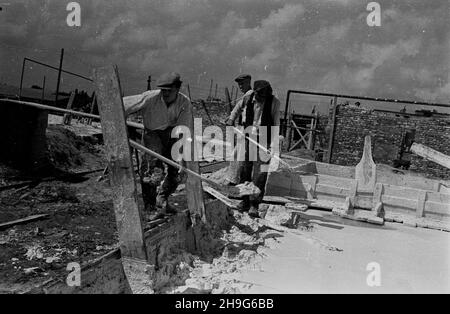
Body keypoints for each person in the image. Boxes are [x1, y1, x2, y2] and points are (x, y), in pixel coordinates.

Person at [123, 72, 194, 219]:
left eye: (170, 90)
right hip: (152, 133)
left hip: (172, 133)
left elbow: (183, 130)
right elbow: (121, 105)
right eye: (163, 90)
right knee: (153, 172)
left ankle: (161, 199)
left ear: (178, 88)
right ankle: (150, 208)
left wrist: (181, 157)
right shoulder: (150, 97)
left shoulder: (184, 102)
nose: (166, 93)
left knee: (178, 173)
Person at [236, 80, 281, 218]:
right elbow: (238, 107)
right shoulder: (248, 97)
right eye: (260, 95)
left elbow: (276, 123)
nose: (262, 98)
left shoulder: (273, 102)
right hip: (249, 137)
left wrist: (273, 145)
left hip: (264, 139)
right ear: (256, 93)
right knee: (245, 169)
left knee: (261, 173)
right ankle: (244, 201)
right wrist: (232, 118)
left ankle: (254, 204)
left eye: (264, 96)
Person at [223, 74, 253, 185]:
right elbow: (239, 108)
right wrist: (230, 118)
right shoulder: (246, 95)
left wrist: (232, 119)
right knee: (241, 154)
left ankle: (234, 180)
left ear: (249, 82)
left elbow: (238, 108)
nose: (240, 86)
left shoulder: (250, 94)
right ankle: (238, 179)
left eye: (243, 83)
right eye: (239, 84)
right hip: (243, 128)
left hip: (247, 129)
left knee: (239, 155)